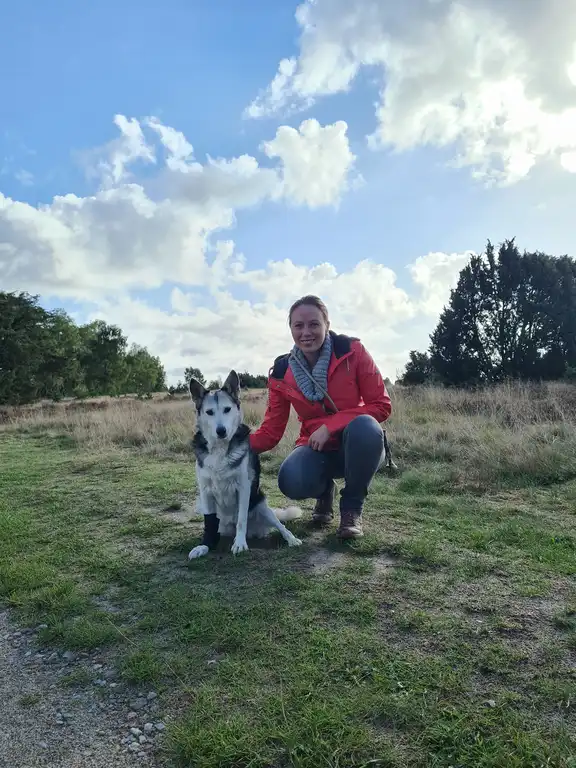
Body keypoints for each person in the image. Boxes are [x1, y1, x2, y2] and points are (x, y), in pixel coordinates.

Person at [249, 295, 392, 539]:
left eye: (314, 324)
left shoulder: (352, 351)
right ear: (291, 329)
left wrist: (330, 426)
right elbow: (270, 432)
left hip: (359, 445)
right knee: (290, 479)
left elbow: (381, 405)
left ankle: (351, 509)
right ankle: (325, 491)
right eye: (298, 325)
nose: (306, 332)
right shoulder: (281, 372)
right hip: (316, 448)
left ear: (327, 324)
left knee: (366, 428)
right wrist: (229, 445)